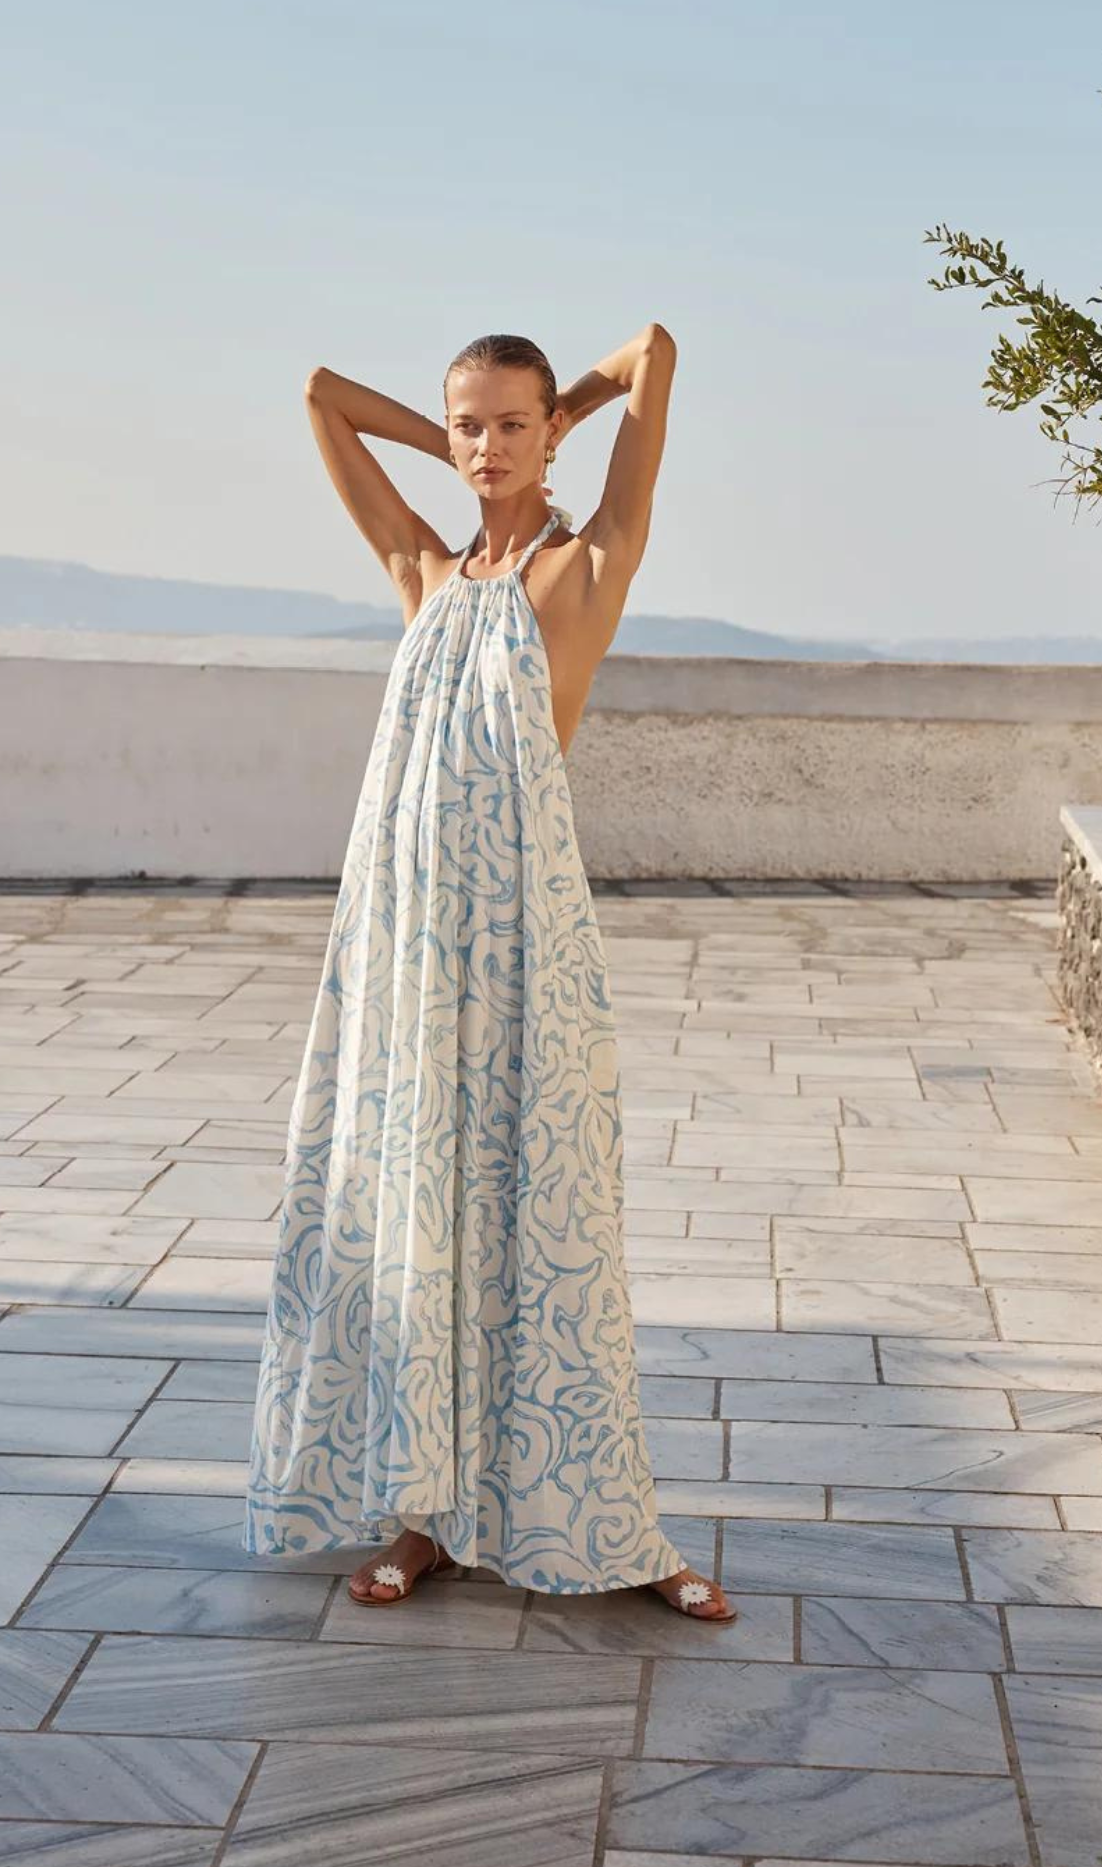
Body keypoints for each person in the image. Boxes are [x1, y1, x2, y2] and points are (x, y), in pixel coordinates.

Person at [241, 322, 735, 1620]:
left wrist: (567, 410)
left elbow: (652, 352)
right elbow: (319, 396)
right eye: (471, 425)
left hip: (526, 957)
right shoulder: (423, 570)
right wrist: (451, 440)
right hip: (408, 957)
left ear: (547, 433)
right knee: (421, 1230)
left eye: (509, 425)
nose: (487, 446)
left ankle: (624, 1531)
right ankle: (424, 1520)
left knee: (552, 1229)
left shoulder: (585, 566)